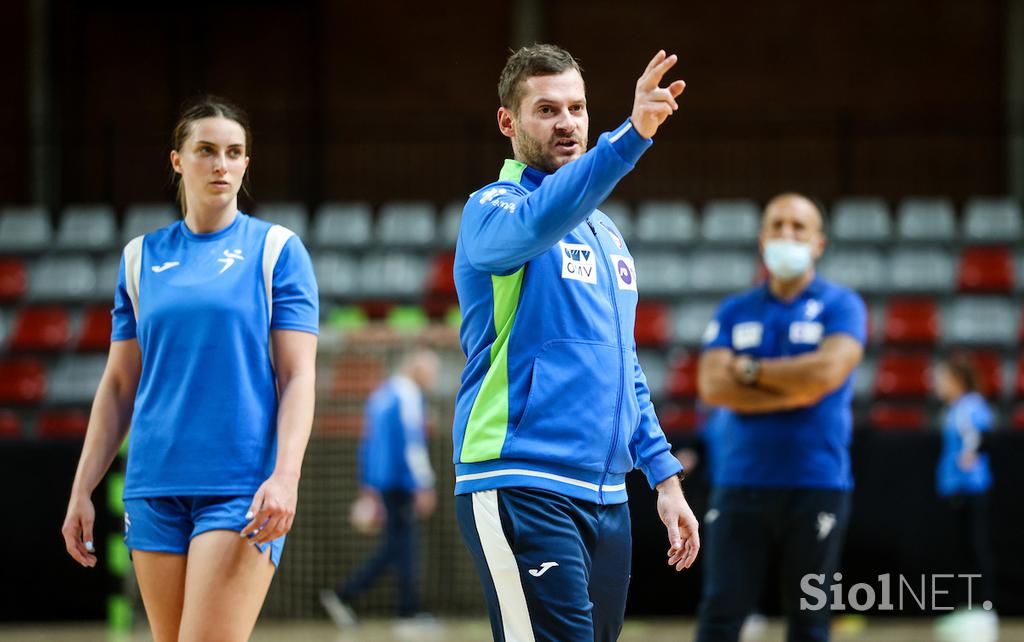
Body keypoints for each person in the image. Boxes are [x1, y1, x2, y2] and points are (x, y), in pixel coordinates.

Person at [451, 44, 700, 642]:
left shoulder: (608, 234)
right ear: (508, 122)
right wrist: (632, 136)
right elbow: (543, 218)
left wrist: (664, 480)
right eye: (546, 110)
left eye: (578, 107)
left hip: (607, 494)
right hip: (519, 480)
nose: (567, 122)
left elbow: (624, 368)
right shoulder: (491, 210)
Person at [60, 96, 319, 642]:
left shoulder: (277, 251)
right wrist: (83, 487)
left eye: (234, 152)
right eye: (206, 150)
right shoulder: (139, 257)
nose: (221, 164)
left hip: (241, 486)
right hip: (153, 484)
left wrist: (286, 477)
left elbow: (298, 377)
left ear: (247, 163)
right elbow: (118, 386)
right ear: (177, 160)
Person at [696, 193, 866, 642]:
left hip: (817, 484)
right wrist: (798, 388)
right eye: (777, 225)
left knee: (809, 621)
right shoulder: (735, 309)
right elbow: (712, 386)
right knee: (720, 613)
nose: (787, 234)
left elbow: (827, 374)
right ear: (762, 238)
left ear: (819, 243)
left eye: (798, 227)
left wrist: (749, 372)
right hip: (739, 482)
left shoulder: (842, 305)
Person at [320, 349, 440, 627]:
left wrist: (369, 485)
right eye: (430, 372)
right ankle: (397, 610)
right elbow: (412, 445)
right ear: (416, 368)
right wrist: (423, 484)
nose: (432, 379)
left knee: (397, 545)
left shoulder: (380, 395)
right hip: (401, 483)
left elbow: (368, 444)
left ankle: (355, 597)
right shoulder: (408, 395)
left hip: (383, 482)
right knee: (402, 546)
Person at [933, 354, 998, 641]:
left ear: (957, 380)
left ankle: (982, 610)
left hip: (970, 489)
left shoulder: (969, 406)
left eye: (942, 378)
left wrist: (970, 453)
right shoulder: (953, 409)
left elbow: (980, 435)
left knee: (974, 549)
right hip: (955, 490)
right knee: (959, 552)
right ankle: (965, 608)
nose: (937, 384)